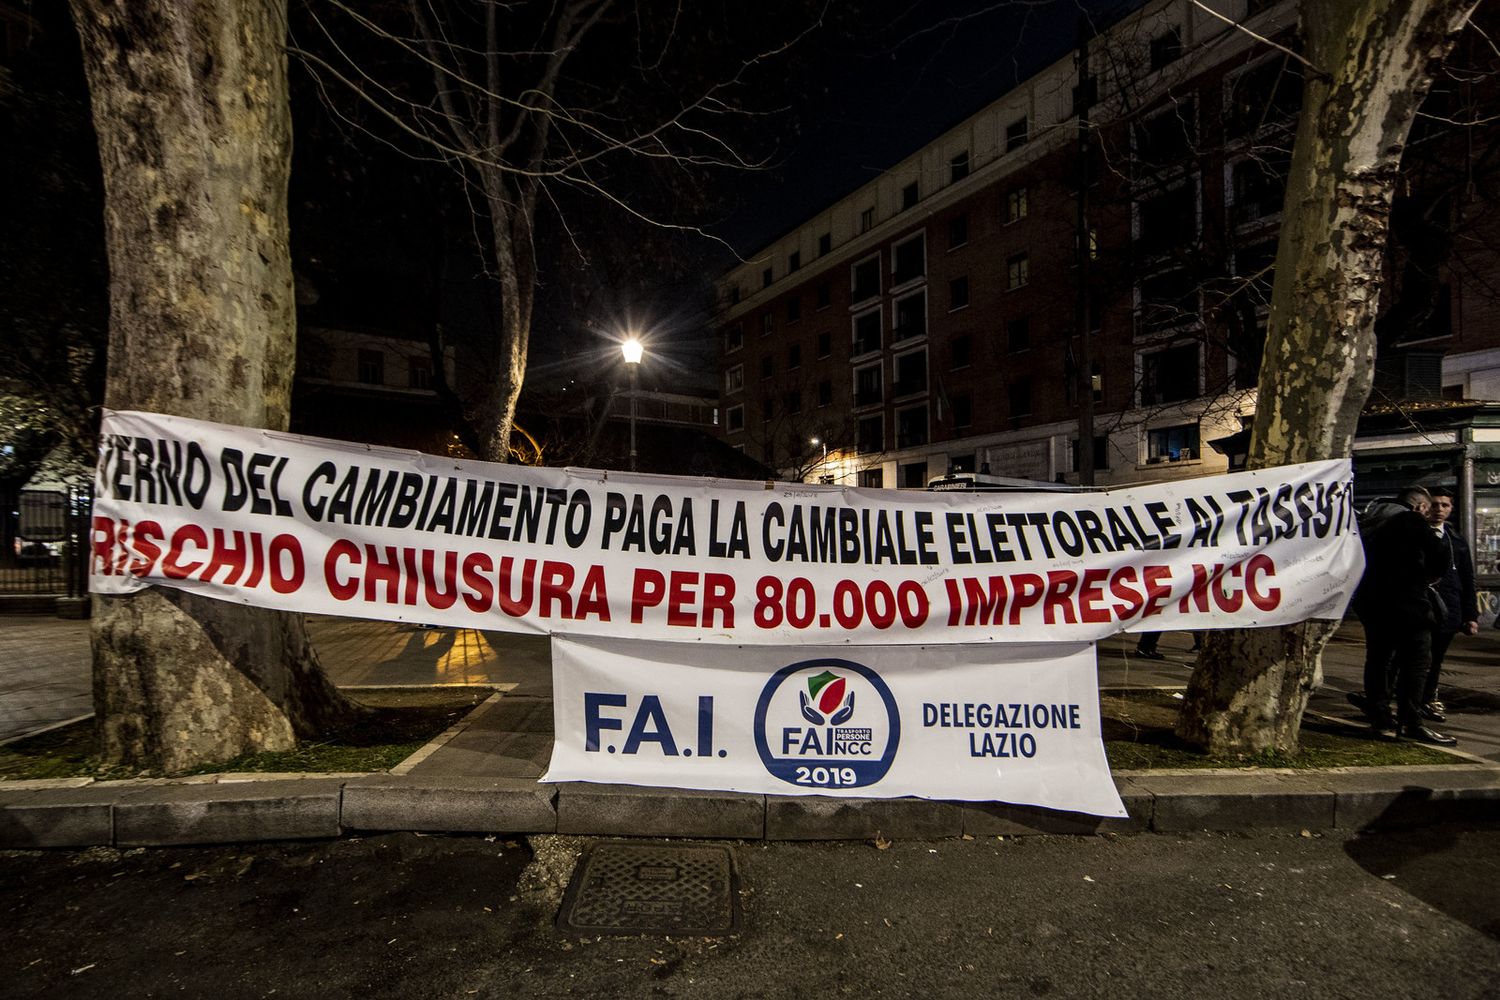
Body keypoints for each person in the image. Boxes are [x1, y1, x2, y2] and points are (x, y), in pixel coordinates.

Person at [1350, 486, 1455, 745]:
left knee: (1378, 660)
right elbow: (1439, 559)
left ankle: (1381, 720)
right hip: (1408, 604)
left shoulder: (1367, 523)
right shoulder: (1411, 521)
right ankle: (1411, 722)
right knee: (1416, 663)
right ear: (1419, 505)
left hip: (1372, 602)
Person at [1422, 487, 1479, 720]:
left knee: (1436, 658)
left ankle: (1428, 698)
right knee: (1416, 656)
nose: (1439, 509)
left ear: (1451, 508)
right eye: (1434, 504)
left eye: (1444, 505)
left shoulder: (1456, 540)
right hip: (1421, 607)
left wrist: (1470, 615)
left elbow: (1467, 578)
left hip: (1448, 608)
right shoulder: (1417, 534)